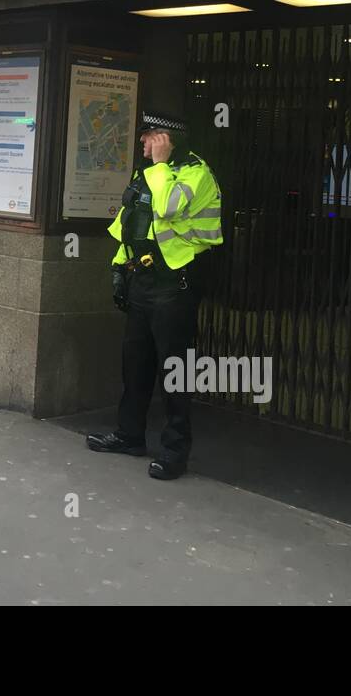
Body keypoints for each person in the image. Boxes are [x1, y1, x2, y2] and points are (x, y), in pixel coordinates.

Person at [87, 110, 223, 480]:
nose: (143, 144)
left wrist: (160, 165)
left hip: (174, 284)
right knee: (135, 364)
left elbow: (167, 208)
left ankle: (175, 451)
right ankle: (129, 435)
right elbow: (127, 224)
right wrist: (119, 269)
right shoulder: (145, 174)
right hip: (142, 281)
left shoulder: (195, 173)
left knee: (174, 371)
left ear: (166, 139)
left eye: (149, 137)